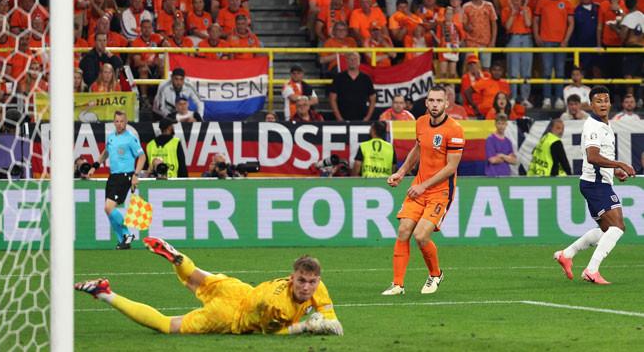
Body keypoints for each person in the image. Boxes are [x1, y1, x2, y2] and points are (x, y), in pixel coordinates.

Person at [75, 237, 343, 335]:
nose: (307, 288)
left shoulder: (318, 286)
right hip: (228, 316)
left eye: (311, 282)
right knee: (167, 325)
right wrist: (306, 327)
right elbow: (273, 333)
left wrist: (330, 319)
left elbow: (330, 314)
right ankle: (105, 293)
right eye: (302, 281)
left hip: (238, 289)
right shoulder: (278, 306)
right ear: (292, 277)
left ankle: (179, 259)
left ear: (317, 280)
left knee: (194, 277)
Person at [383, 86, 464, 296]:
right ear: (426, 103)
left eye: (439, 101)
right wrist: (401, 173)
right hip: (419, 188)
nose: (435, 104)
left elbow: (451, 168)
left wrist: (423, 186)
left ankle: (436, 274)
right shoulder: (420, 122)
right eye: (431, 101)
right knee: (403, 231)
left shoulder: (454, 129)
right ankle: (398, 285)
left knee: (420, 236)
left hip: (440, 192)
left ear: (446, 103)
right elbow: (418, 148)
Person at [553, 86, 636, 284]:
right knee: (618, 227)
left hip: (598, 182)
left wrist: (614, 171)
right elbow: (592, 157)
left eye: (606, 100)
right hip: (596, 184)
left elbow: (601, 157)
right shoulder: (593, 126)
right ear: (591, 105)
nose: (603, 104)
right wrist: (620, 163)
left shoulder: (605, 125)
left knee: (607, 230)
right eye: (598, 101)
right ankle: (591, 270)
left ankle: (567, 254)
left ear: (610, 103)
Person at [87, 111, 146, 250]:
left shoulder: (130, 138)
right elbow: (106, 152)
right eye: (117, 121)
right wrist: (94, 166)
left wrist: (136, 175)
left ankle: (127, 233)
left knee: (108, 207)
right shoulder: (111, 137)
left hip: (125, 175)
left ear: (126, 122)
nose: (119, 124)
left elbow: (142, 157)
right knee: (108, 210)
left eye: (122, 121)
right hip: (113, 176)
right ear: (114, 122)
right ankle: (123, 241)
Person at [534, 0, 575, 110]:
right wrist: (537, 36)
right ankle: (546, 98)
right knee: (546, 71)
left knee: (560, 72)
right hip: (546, 41)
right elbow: (536, 20)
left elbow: (571, 23)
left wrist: (566, 40)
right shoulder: (542, 2)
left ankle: (558, 98)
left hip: (561, 42)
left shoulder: (567, 3)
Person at [328, 52, 376, 121]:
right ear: (346, 61)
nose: (353, 61)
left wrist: (367, 118)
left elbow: (373, 99)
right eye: (350, 59)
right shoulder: (338, 78)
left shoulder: (366, 78)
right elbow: (332, 99)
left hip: (362, 118)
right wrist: (339, 118)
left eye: (355, 59)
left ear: (359, 61)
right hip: (343, 118)